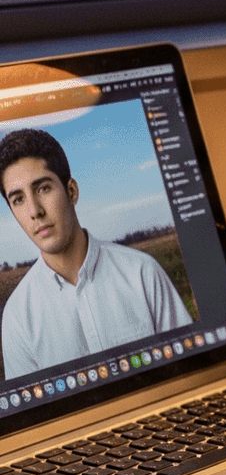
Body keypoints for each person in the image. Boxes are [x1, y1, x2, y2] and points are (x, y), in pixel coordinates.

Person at [0, 127, 189, 379]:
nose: (35, 211)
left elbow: (191, 370)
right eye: (18, 200)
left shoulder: (142, 272)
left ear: (71, 192)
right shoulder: (17, 317)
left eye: (43, 188)